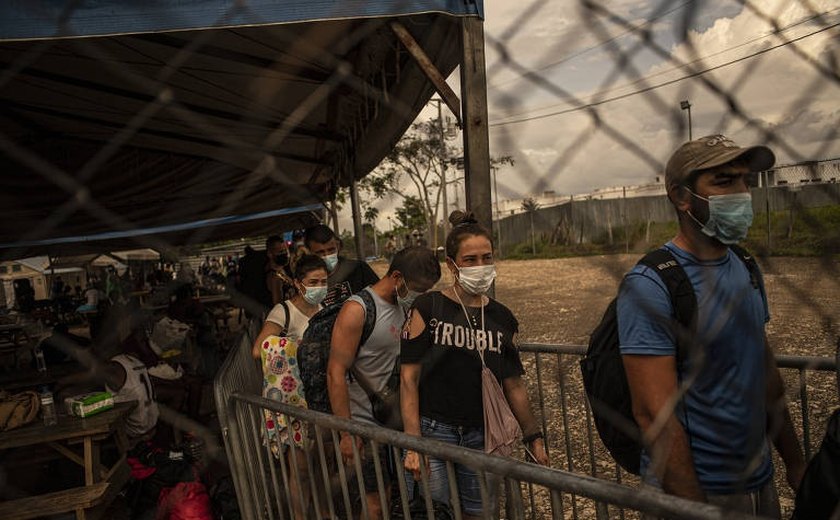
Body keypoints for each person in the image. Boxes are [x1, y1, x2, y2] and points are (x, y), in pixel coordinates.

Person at [617, 135, 805, 516]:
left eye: (744, 181)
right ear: (681, 197)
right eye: (723, 182)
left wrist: (795, 462)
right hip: (696, 489)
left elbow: (764, 370)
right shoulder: (653, 283)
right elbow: (655, 415)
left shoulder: (745, 265)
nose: (741, 193)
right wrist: (694, 507)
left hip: (757, 478)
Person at [400, 211, 549, 519]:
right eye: (470, 260)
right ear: (451, 265)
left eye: (487, 257)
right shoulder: (428, 308)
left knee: (480, 512)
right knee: (437, 511)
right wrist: (413, 444)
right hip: (433, 431)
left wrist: (533, 436)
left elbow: (514, 383)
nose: (480, 266)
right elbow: (408, 379)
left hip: (482, 434)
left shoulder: (502, 317)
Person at [327, 246, 441, 520]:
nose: (421, 295)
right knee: (374, 503)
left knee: (396, 499)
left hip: (397, 422)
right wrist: (345, 432)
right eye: (418, 288)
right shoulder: (358, 309)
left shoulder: (406, 307)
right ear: (398, 277)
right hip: (364, 425)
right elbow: (335, 372)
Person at [251, 254, 329, 520]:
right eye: (313, 281)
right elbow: (257, 348)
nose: (320, 286)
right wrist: (298, 346)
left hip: (320, 398)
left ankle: (321, 511)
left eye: (324, 281)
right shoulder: (282, 311)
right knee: (300, 468)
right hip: (292, 402)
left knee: (319, 466)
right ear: (298, 283)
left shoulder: (326, 312)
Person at [304, 224, 379, 307]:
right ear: (309, 252)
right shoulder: (307, 282)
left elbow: (380, 297)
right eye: (320, 252)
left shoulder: (358, 269)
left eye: (331, 250)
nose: (327, 255)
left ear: (338, 246)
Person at [237, 236, 294, 319]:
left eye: (285, 250)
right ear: (270, 254)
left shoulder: (282, 271)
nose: (285, 254)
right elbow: (278, 306)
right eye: (280, 251)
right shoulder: (274, 277)